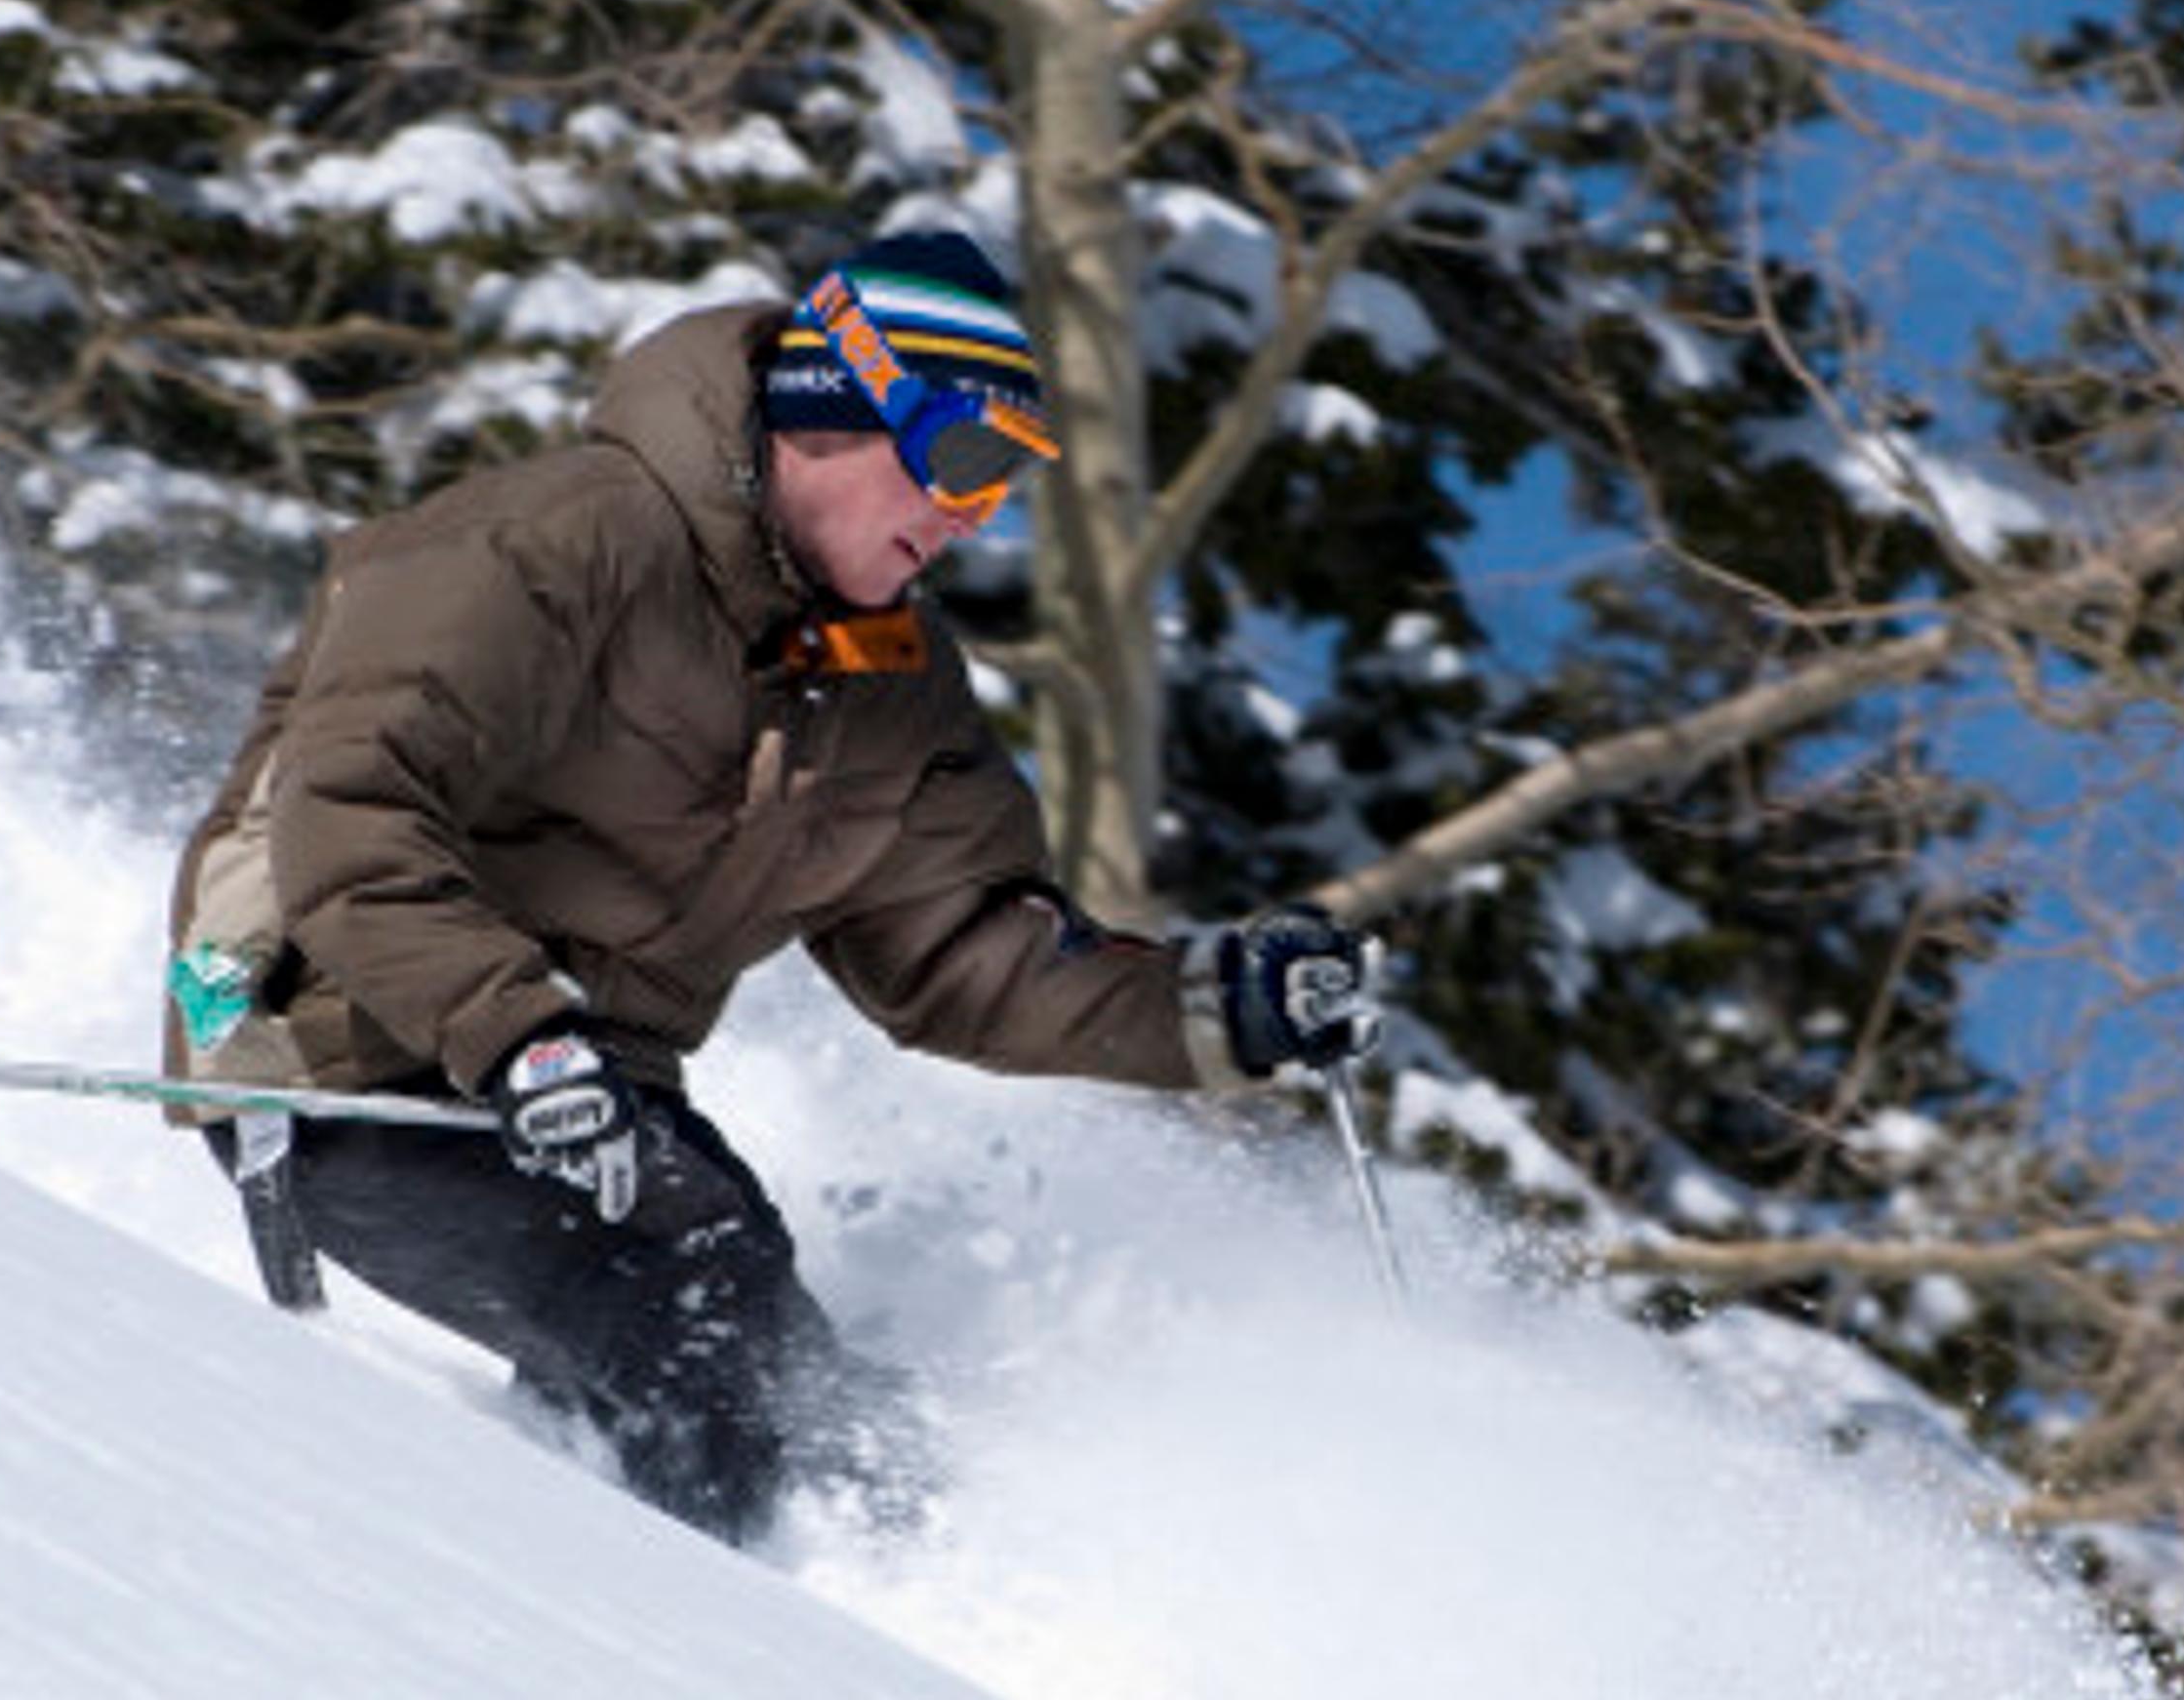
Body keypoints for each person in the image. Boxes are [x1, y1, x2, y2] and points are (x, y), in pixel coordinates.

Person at [162, 228, 1379, 1544]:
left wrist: (1218, 1005)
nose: (975, 514)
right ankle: (691, 1694)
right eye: (964, 461)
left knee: (825, 1413)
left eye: (1007, 484)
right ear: (837, 415)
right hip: (338, 1049)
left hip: (597, 1100)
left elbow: (967, 950)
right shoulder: (558, 543)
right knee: (692, 1360)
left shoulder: (885, 682)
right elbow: (350, 814)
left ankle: (945, 1651)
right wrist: (521, 1038)